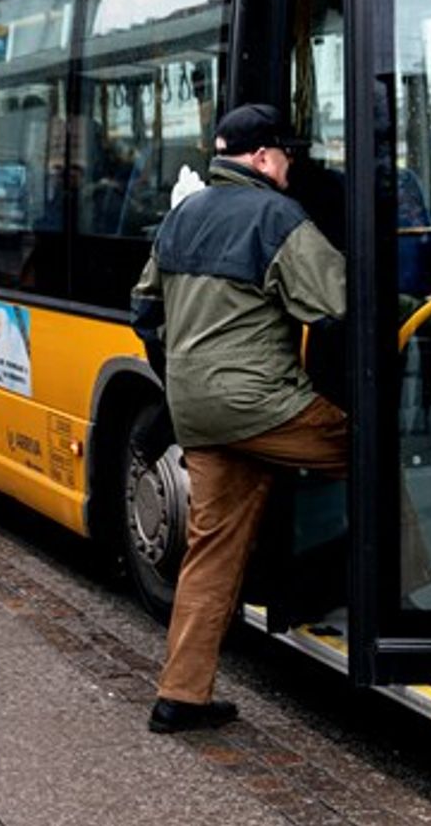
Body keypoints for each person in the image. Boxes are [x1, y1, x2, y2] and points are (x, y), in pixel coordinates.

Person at [130, 103, 348, 735]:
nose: (290, 167)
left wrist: (183, 381)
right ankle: (414, 597)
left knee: (212, 546)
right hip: (264, 405)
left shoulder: (182, 215)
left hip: (196, 413)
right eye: (286, 155)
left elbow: (144, 310)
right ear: (261, 157)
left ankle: (180, 696)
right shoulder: (276, 216)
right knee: (376, 453)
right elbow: (337, 302)